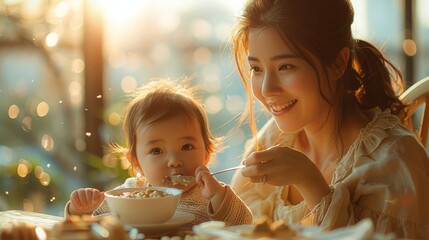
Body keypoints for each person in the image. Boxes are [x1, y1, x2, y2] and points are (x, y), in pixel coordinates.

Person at [229, 0, 429, 238]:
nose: (267, 88)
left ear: (337, 63)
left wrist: (310, 183)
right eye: (256, 69)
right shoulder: (279, 135)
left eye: (285, 67)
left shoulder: (392, 161)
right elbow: (234, 221)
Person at [64, 78, 253, 226]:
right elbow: (94, 224)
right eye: (156, 150)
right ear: (136, 161)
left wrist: (219, 195)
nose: (174, 161)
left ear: (207, 153)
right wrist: (80, 210)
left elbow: (243, 224)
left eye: (187, 147)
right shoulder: (130, 193)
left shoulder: (210, 193)